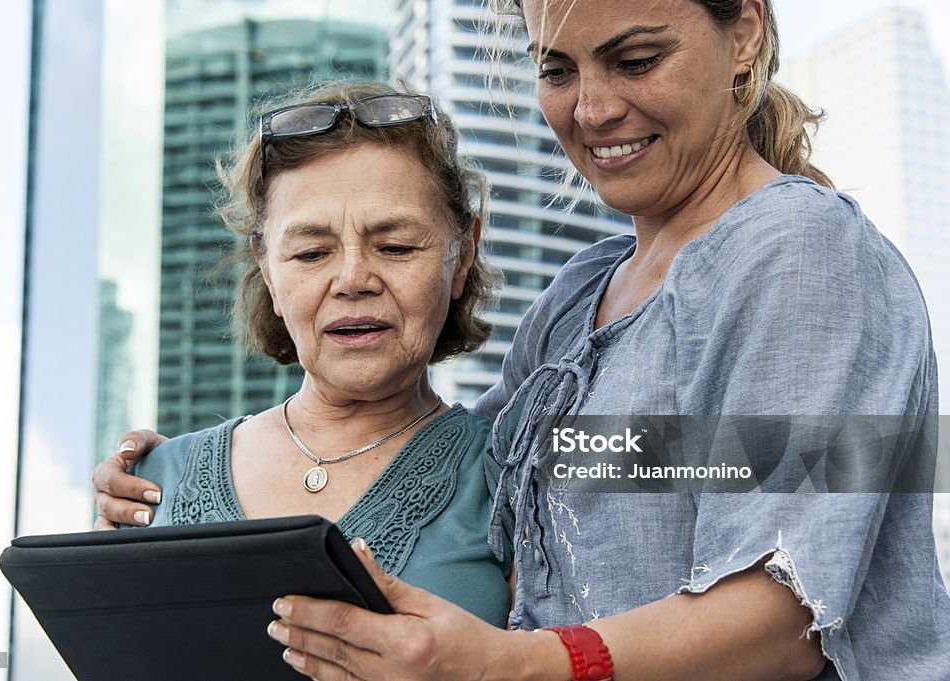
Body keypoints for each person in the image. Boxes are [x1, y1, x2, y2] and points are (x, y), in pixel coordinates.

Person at [97, 1, 950, 679]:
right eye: (557, 68)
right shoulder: (581, 294)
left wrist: (516, 665)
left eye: (636, 59)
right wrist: (179, 488)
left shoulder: (802, 252)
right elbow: (445, 458)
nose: (593, 107)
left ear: (745, 34)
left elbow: (786, 613)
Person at [92, 80, 512, 627]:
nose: (353, 279)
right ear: (267, 269)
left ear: (461, 256)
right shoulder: (151, 480)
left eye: (396, 247)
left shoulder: (517, 471)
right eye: (312, 252)